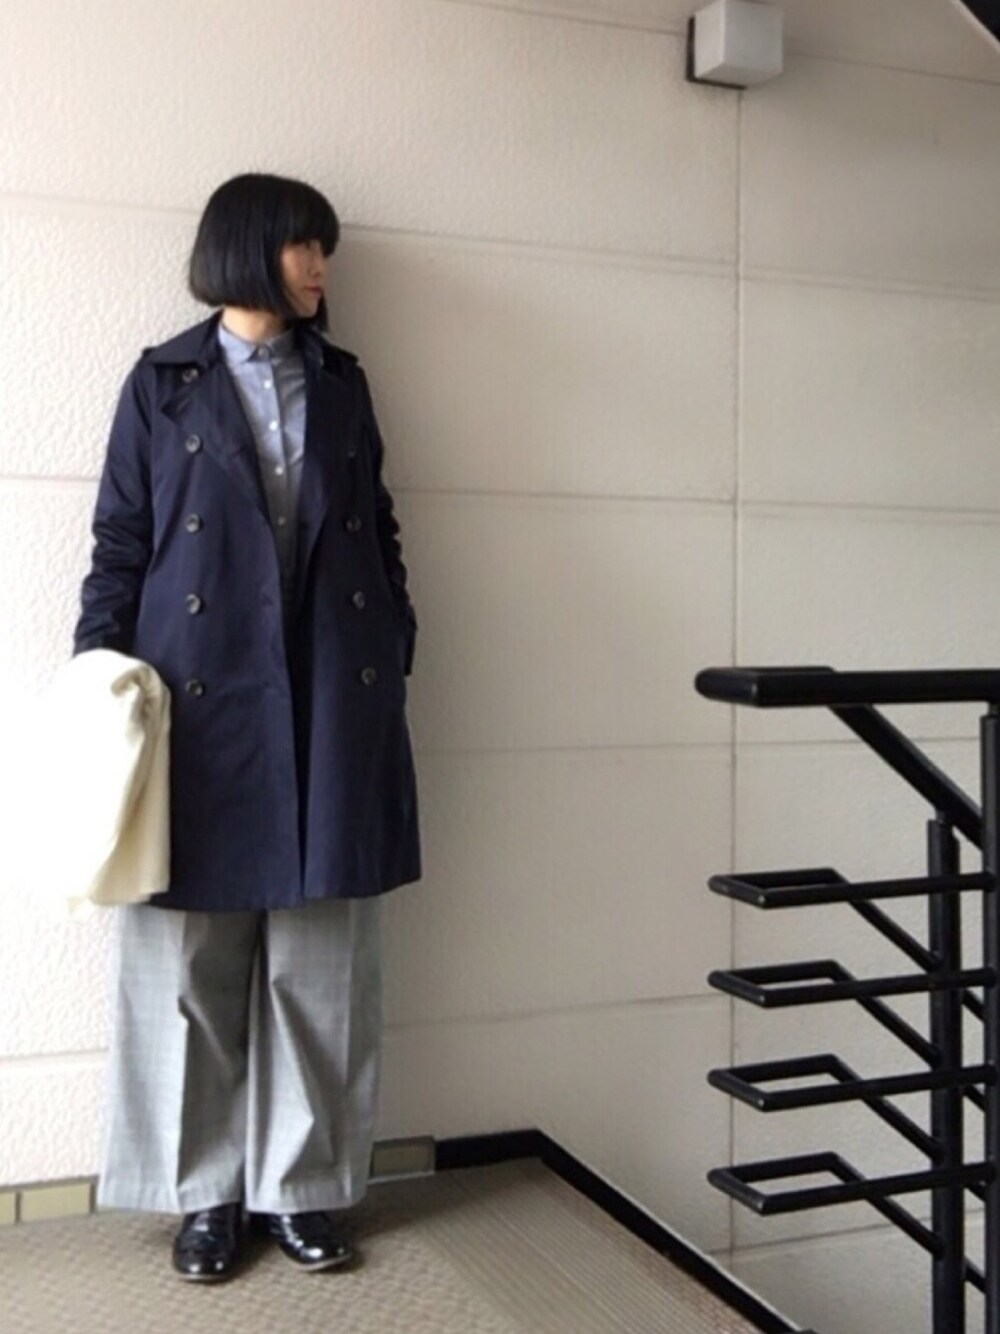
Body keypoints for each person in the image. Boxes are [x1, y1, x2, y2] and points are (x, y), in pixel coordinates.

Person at [72, 172, 421, 1282]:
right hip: (196, 694)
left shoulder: (344, 382)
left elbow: (377, 522)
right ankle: (206, 1195)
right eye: (304, 246)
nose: (321, 267)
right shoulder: (162, 383)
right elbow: (121, 538)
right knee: (192, 962)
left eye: (324, 248)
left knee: (320, 960)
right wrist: (98, 672)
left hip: (331, 686)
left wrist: (395, 638)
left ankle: (301, 1191)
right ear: (246, 249)